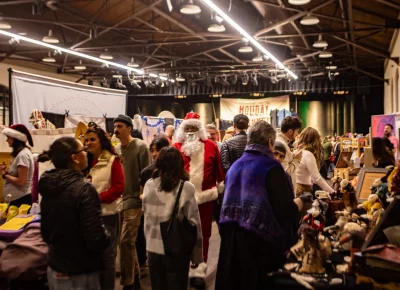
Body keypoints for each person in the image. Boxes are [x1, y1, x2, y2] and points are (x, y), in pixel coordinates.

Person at [215, 121, 312, 290]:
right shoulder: (272, 168)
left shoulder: (235, 167)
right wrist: (302, 201)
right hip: (258, 247)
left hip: (230, 245)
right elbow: (285, 211)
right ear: (269, 142)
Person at [38, 136, 110, 290]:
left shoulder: (48, 186)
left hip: (55, 268)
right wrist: (107, 237)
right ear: (75, 158)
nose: (86, 152)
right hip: (80, 272)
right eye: (83, 150)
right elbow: (95, 238)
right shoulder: (84, 189)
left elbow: (45, 233)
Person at [173, 112, 224, 288]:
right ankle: (182, 267)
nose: (191, 131)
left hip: (205, 200)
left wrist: (220, 186)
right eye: (188, 128)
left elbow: (218, 171)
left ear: (200, 129)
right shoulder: (176, 147)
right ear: (183, 129)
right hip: (180, 200)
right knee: (181, 234)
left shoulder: (211, 146)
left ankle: (199, 271)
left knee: (203, 236)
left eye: (194, 127)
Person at [142, 146, 203, 290]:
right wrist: (196, 256)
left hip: (153, 249)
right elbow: (194, 223)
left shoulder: (149, 185)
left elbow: (146, 217)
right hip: (176, 249)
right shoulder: (186, 187)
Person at [114, 114, 151, 290]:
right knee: (127, 244)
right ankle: (134, 280)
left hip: (135, 199)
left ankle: (127, 283)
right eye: (115, 126)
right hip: (118, 200)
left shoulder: (140, 147)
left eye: (120, 126)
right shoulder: (115, 150)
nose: (116, 129)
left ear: (129, 128)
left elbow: (147, 174)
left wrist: (143, 196)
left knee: (126, 241)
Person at [85, 126, 124, 290]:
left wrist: (96, 199)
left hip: (107, 215)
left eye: (92, 139)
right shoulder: (83, 162)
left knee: (107, 258)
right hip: (87, 216)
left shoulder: (113, 161)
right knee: (91, 258)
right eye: (86, 140)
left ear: (101, 141)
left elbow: (118, 187)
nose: (88, 143)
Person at [137, 136, 170, 270]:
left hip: (169, 218)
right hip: (151, 217)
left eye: (158, 150)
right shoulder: (146, 172)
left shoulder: (174, 171)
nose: (155, 153)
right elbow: (141, 193)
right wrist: (146, 197)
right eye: (152, 150)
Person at [1, 124, 34, 207]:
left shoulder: (22, 155)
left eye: (8, 137)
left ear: (15, 138)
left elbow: (21, 181)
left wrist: (5, 175)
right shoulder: (19, 154)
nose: (7, 140)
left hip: (20, 201)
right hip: (16, 200)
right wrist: (5, 171)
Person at [295, 127, 334, 196]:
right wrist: (332, 192)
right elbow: (317, 178)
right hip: (303, 189)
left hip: (297, 187)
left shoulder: (298, 152)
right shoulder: (308, 154)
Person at [275, 116, 303, 190]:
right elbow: (285, 172)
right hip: (285, 189)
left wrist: (292, 156)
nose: (297, 133)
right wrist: (297, 160)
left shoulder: (281, 141)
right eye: (297, 130)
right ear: (290, 131)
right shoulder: (282, 144)